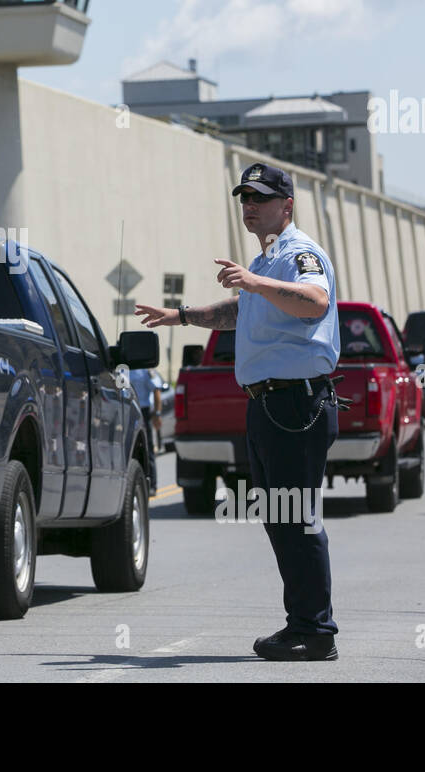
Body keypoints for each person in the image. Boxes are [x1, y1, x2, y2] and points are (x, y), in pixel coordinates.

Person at [135, 162, 341, 662]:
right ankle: (303, 624)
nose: (249, 206)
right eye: (244, 198)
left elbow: (315, 302)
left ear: (286, 205)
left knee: (297, 516)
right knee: (280, 517)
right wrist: (181, 316)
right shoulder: (266, 262)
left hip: (296, 403)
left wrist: (252, 281)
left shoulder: (299, 253)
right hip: (269, 404)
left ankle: (316, 631)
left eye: (260, 198)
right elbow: (239, 312)